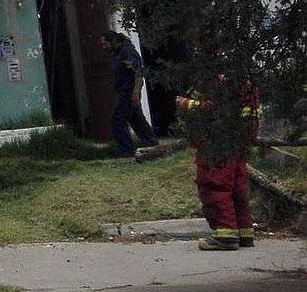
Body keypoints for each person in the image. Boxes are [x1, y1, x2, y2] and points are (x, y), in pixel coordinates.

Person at [178, 81, 261, 251]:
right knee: (237, 188)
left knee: (215, 186)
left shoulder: (216, 77)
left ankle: (226, 236)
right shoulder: (243, 77)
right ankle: (244, 232)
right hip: (236, 141)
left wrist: (184, 104)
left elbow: (214, 109)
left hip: (216, 140)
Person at [99, 31, 159, 156]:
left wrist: (135, 93)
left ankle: (126, 151)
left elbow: (138, 74)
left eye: (105, 44)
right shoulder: (120, 53)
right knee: (135, 119)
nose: (104, 47)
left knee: (118, 120)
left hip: (128, 91)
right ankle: (151, 143)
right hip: (125, 91)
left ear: (114, 41)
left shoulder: (127, 53)